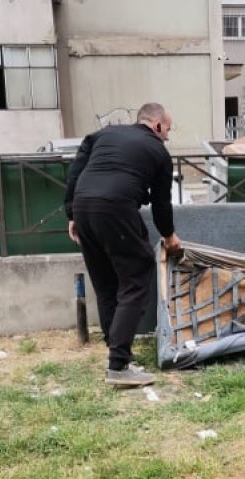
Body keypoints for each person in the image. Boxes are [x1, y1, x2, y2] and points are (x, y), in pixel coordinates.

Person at [64, 103, 182, 386]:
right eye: (168, 130)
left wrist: (72, 213)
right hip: (116, 208)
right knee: (137, 276)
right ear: (157, 125)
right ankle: (118, 365)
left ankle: (116, 350)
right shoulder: (158, 152)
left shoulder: (104, 134)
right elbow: (161, 203)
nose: (167, 136)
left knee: (105, 282)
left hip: (84, 207)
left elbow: (76, 170)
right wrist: (169, 236)